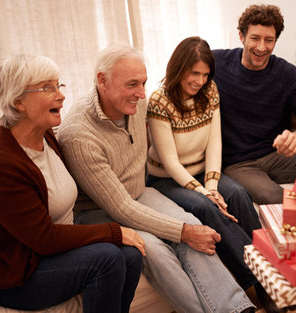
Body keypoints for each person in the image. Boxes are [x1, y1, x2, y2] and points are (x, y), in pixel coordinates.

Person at [57, 43, 256, 313]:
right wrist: (183, 234)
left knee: (192, 222)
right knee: (156, 249)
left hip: (138, 191)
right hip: (99, 211)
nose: (141, 94)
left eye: (143, 83)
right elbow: (120, 208)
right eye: (132, 84)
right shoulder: (78, 135)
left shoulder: (136, 103)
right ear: (102, 80)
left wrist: (186, 229)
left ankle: (236, 308)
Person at [0, 54, 144, 313]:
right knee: (107, 258)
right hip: (13, 273)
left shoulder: (46, 135)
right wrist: (113, 231)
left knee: (131, 254)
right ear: (18, 102)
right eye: (48, 88)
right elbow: (43, 239)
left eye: (59, 85)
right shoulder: (0, 165)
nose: (60, 95)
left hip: (49, 254)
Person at [146, 36, 290, 313]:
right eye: (194, 73)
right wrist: (205, 193)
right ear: (179, 68)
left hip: (203, 172)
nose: (199, 80)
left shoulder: (210, 91)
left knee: (236, 192)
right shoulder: (159, 101)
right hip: (166, 179)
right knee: (205, 207)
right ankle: (261, 282)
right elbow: (170, 162)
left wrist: (212, 185)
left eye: (205, 74)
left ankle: (271, 276)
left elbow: (215, 144)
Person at [212, 4, 296, 204]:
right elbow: (182, 75)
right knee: (272, 196)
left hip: (277, 155)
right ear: (241, 36)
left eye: (269, 40)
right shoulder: (217, 63)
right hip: (238, 164)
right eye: (255, 38)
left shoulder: (286, 73)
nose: (261, 47)